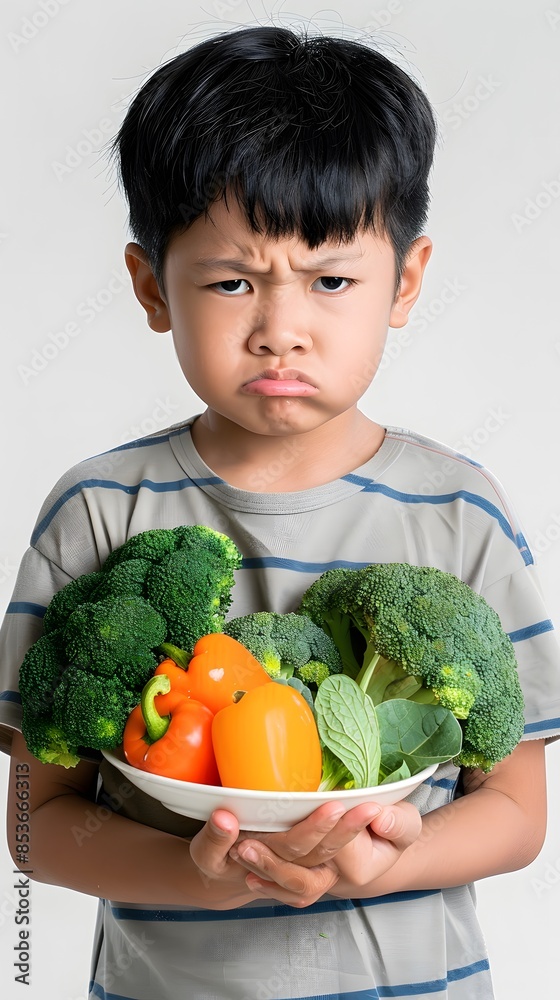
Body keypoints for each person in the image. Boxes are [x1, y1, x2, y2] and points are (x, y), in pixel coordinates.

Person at [2, 25, 560, 1000]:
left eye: (331, 280)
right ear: (150, 287)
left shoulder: (457, 509)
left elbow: (515, 809)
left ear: (407, 279)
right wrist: (199, 878)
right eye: (230, 281)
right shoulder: (98, 511)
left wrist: (393, 853)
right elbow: (32, 821)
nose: (279, 331)